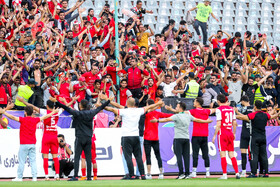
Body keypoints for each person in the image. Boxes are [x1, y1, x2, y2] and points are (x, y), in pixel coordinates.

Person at [49, 93, 111, 181]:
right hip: (88, 138)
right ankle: (89, 177)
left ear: (80, 106)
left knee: (77, 157)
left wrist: (57, 102)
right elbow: (100, 108)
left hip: (79, 137)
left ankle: (75, 176)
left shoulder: (77, 113)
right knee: (89, 158)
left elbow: (66, 108)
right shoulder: (91, 112)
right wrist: (108, 101)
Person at [105, 98, 164, 180]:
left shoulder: (124, 111)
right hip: (136, 136)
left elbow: (111, 108)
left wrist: (104, 103)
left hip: (126, 137)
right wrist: (158, 103)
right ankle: (142, 175)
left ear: (127, 104)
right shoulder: (139, 111)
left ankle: (131, 175)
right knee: (138, 157)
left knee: (128, 157)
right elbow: (150, 107)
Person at [151, 102, 212, 179]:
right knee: (186, 157)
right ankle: (187, 173)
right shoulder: (188, 116)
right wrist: (207, 121)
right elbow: (198, 120)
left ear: (180, 108)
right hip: (186, 139)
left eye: (177, 107)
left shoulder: (176, 116)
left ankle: (181, 173)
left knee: (179, 156)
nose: (176, 108)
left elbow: (167, 119)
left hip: (178, 138)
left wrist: (157, 121)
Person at [0, 106, 59, 182]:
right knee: (33, 161)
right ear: (32, 113)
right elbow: (45, 116)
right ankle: (34, 177)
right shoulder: (35, 120)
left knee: (21, 161)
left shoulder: (23, 119)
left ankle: (19, 177)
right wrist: (53, 112)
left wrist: (4, 112)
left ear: (25, 112)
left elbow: (12, 117)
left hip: (24, 144)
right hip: (32, 144)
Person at [17, 97, 63, 180]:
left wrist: (23, 101)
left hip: (46, 136)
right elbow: (65, 107)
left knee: (45, 157)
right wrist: (61, 101)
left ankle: (46, 176)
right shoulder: (57, 112)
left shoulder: (44, 111)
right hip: (54, 136)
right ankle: (57, 175)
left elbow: (32, 107)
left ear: (47, 105)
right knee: (55, 157)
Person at [236, 100, 280, 178]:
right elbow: (273, 116)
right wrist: (278, 113)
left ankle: (254, 173)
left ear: (255, 107)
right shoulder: (265, 115)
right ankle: (266, 173)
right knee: (264, 155)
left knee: (254, 155)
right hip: (263, 137)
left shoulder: (253, 115)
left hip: (254, 137)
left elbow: (242, 117)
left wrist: (233, 115)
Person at [212, 94, 240, 180]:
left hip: (222, 133)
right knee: (231, 154)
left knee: (223, 154)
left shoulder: (219, 109)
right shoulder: (231, 109)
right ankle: (237, 173)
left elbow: (219, 123)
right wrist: (234, 133)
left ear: (218, 101)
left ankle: (224, 174)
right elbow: (234, 123)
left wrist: (214, 135)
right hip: (230, 132)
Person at [143, 99, 173, 179]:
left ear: (148, 105)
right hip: (155, 138)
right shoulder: (156, 113)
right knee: (158, 156)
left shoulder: (146, 113)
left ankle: (149, 174)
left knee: (148, 156)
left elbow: (167, 116)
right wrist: (176, 112)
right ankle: (160, 173)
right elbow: (168, 115)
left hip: (147, 138)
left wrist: (157, 105)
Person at [234, 95, 254, 177]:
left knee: (244, 154)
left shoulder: (244, 109)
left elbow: (244, 117)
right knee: (252, 154)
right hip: (252, 133)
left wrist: (236, 113)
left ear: (243, 101)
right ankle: (254, 171)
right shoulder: (253, 108)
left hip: (245, 132)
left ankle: (244, 171)